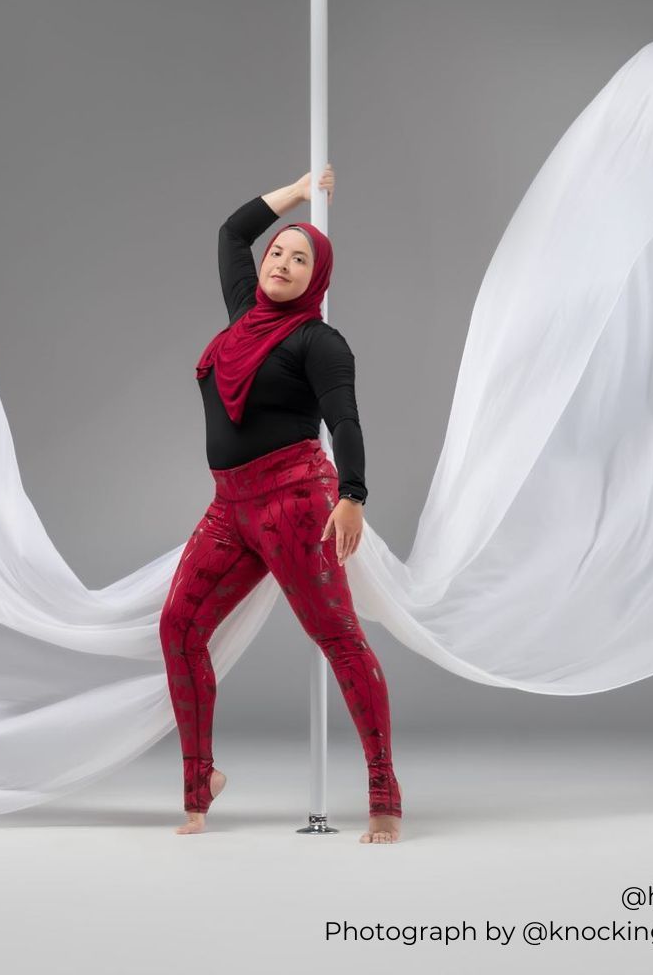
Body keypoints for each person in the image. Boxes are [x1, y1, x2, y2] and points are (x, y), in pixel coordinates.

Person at [159, 163, 403, 843]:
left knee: (338, 639)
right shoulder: (244, 316)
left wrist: (352, 495)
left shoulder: (318, 341)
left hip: (297, 501)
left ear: (316, 279)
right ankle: (200, 779)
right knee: (179, 627)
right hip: (229, 507)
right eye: (279, 252)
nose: (282, 262)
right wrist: (297, 193)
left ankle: (385, 794)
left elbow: (346, 422)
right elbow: (232, 231)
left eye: (301, 258)